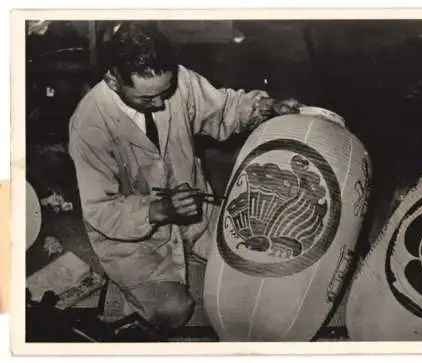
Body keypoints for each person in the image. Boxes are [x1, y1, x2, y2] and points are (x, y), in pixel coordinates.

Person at [68, 21, 301, 331]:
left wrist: (265, 108)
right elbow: (101, 211)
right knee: (174, 311)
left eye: (166, 92)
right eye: (146, 99)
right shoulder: (89, 126)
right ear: (112, 79)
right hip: (130, 239)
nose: (162, 103)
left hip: (196, 215)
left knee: (260, 260)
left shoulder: (180, 81)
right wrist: (161, 210)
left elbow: (223, 109)